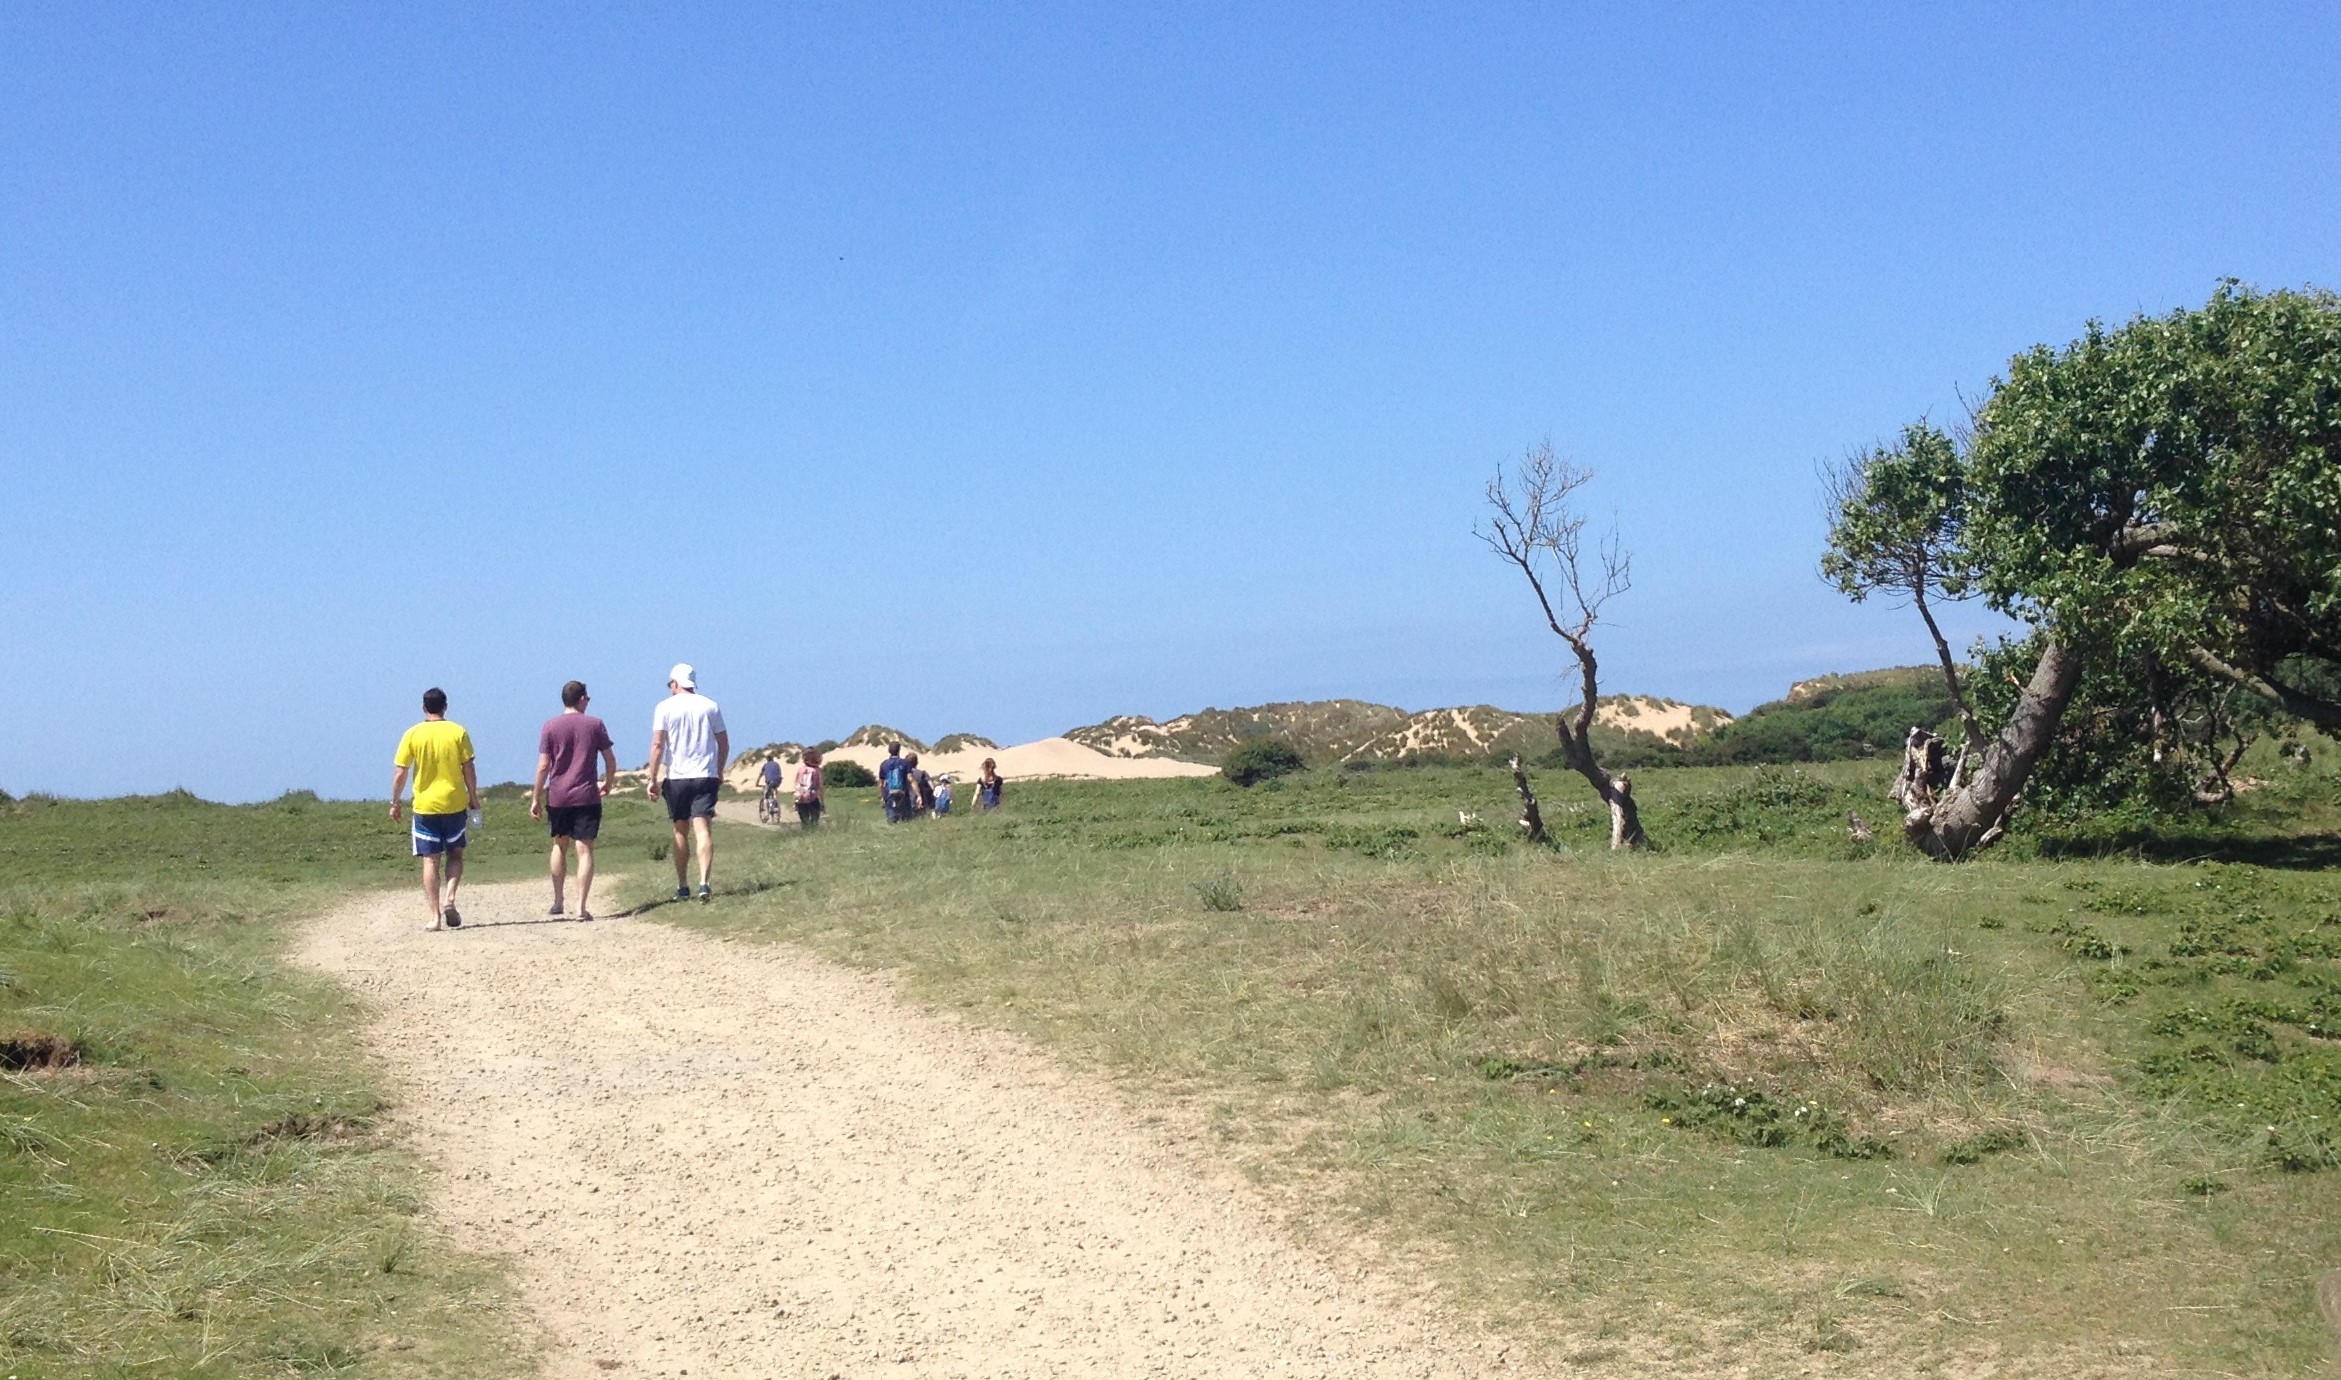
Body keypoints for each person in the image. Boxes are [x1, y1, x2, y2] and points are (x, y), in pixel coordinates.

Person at [390, 687, 480, 932]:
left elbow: (401, 771)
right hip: (454, 802)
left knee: (430, 860)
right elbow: (468, 768)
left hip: (425, 806)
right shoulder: (458, 732)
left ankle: (434, 916)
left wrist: (395, 802)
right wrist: (473, 797)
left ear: (423, 708)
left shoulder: (412, 734)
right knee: (455, 854)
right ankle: (450, 898)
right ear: (445, 706)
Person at [528, 680, 617, 921]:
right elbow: (610, 759)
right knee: (584, 849)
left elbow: (544, 765)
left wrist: (536, 796)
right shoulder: (595, 725)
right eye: (587, 697)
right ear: (581, 699)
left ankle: (558, 900)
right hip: (586, 794)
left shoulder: (550, 726)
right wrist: (608, 782)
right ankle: (580, 906)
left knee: (559, 845)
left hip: (558, 795)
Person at [645, 662, 728, 901]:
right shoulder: (710, 706)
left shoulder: (664, 707)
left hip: (678, 777)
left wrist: (652, 777)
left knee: (680, 830)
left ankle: (683, 885)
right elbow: (723, 742)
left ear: (675, 683)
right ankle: (704, 882)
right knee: (702, 830)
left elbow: (658, 745)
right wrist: (719, 769)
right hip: (705, 774)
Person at [877, 741, 912, 823]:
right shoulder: (905, 763)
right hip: (903, 793)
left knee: (891, 819)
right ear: (899, 750)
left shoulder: (884, 764)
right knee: (906, 820)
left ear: (889, 750)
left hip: (889, 793)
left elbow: (881, 783)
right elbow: (910, 779)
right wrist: (918, 794)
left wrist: (882, 796)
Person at [793, 747, 826, 828]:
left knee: (805, 823)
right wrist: (822, 802)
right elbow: (820, 787)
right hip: (813, 799)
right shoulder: (817, 770)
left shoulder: (801, 769)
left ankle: (805, 837)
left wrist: (795, 801)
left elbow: (797, 785)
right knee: (814, 822)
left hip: (800, 799)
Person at [907, 751, 934, 818]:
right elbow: (932, 787)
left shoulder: (905, 774)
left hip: (907, 801)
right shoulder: (923, 774)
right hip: (922, 801)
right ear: (916, 762)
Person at [759, 755, 785, 820]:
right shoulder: (777, 764)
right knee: (774, 789)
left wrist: (757, 782)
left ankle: (766, 814)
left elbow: (761, 774)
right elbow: (779, 773)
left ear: (767, 759)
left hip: (769, 782)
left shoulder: (765, 765)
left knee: (765, 798)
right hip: (777, 781)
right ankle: (775, 801)